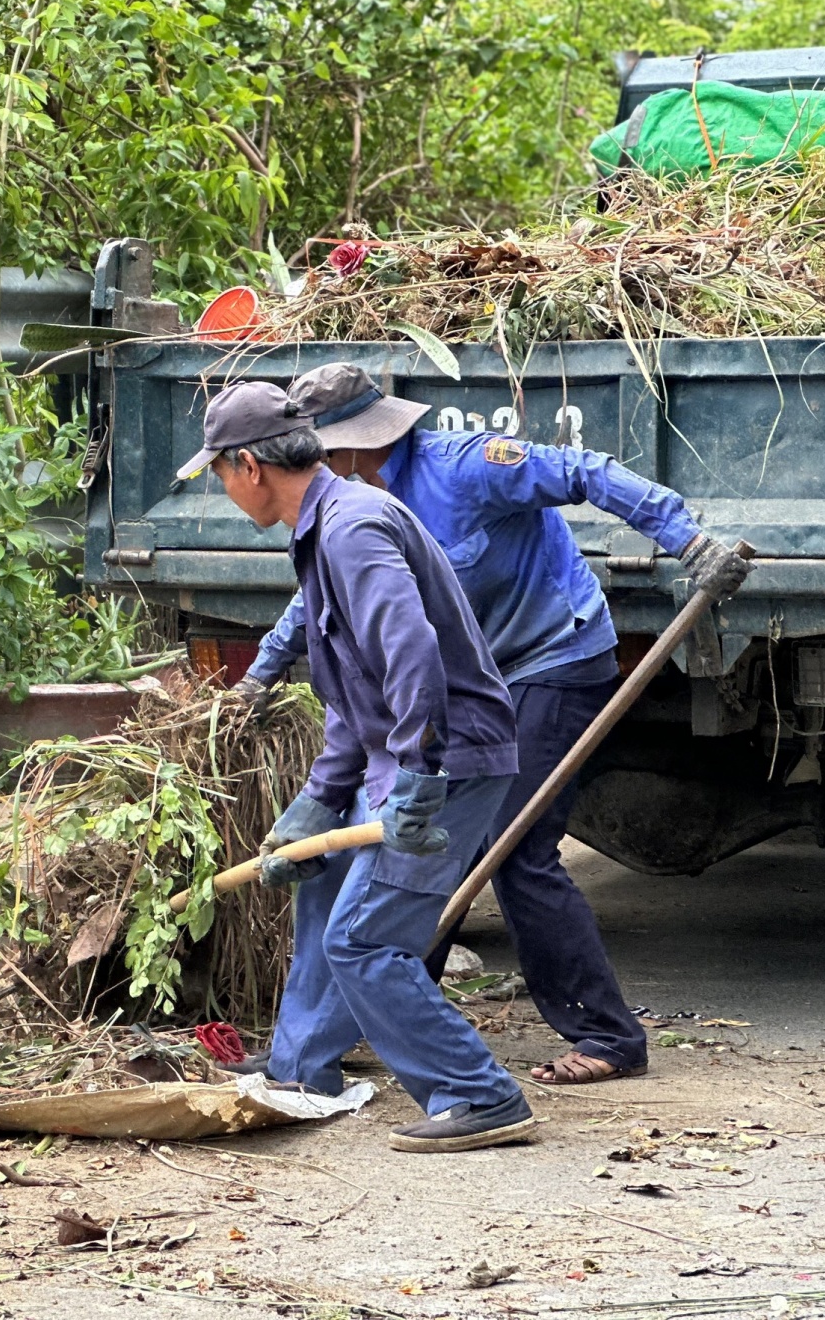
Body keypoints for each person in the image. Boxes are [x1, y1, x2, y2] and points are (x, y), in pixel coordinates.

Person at [236, 362, 748, 1085]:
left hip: (550, 659)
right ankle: (387, 1018)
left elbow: (585, 470)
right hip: (459, 685)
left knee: (512, 847)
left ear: (350, 444)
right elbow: (328, 601)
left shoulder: (465, 468)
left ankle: (606, 1035)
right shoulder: (346, 510)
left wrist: (688, 542)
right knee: (419, 855)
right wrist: (263, 670)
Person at [185, 380, 537, 1153]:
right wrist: (321, 796)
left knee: (366, 940)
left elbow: (409, 650)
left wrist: (419, 769)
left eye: (219, 473)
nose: (224, 487)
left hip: (448, 762)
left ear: (248, 465)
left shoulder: (352, 528)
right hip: (399, 758)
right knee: (326, 897)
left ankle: (480, 1095)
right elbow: (351, 681)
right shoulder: (322, 525)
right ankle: (301, 1069)